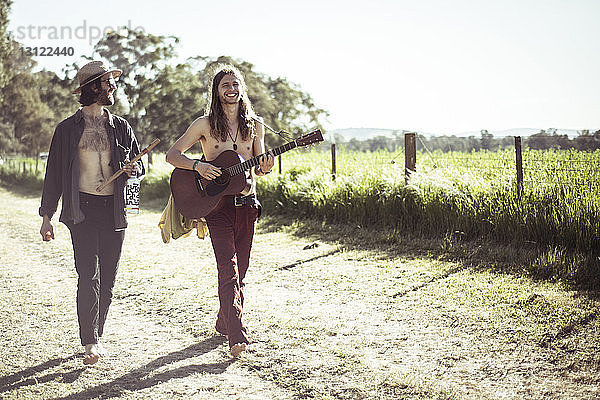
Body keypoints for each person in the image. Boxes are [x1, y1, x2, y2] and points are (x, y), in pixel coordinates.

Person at [39, 60, 145, 365]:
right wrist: (47, 215)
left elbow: (139, 170)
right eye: (107, 82)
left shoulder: (121, 126)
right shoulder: (66, 129)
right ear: (92, 87)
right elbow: (54, 174)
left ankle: (95, 334)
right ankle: (90, 342)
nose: (112, 86)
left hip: (113, 210)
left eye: (112, 81)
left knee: (108, 279)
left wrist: (134, 171)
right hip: (81, 210)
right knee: (89, 275)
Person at [166, 65, 274, 357]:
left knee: (242, 271)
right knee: (228, 268)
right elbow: (172, 155)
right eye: (225, 84)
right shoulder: (204, 124)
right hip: (217, 207)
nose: (231, 89)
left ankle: (224, 319)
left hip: (248, 205)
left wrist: (265, 166)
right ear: (216, 91)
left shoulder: (255, 124)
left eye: (235, 84)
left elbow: (260, 164)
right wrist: (198, 165)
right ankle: (237, 333)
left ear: (242, 89)